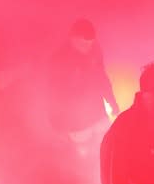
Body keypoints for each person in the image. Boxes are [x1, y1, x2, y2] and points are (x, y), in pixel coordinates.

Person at [46, 19, 120, 157]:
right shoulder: (59, 60)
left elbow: (102, 78)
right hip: (76, 123)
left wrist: (112, 101)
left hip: (97, 114)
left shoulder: (95, 52)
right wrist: (57, 124)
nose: (88, 47)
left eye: (90, 43)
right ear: (72, 39)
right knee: (83, 153)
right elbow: (54, 95)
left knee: (106, 146)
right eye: (83, 43)